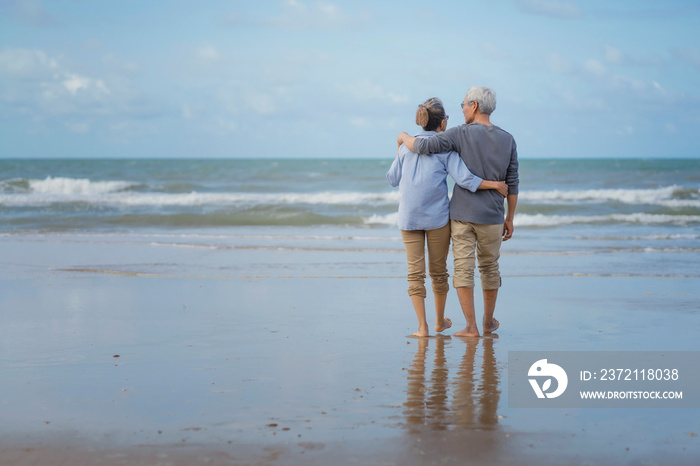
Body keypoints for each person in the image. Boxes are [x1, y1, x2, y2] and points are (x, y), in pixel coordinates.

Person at [397, 87, 519, 338]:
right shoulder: (508, 139)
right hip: (493, 216)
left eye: (463, 104)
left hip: (462, 215)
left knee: (463, 269)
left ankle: (470, 327)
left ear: (474, 106)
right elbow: (512, 182)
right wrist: (510, 218)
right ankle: (487, 323)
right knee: (490, 268)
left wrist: (402, 138)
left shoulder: (458, 135)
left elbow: (422, 146)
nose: (461, 109)